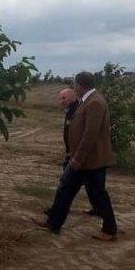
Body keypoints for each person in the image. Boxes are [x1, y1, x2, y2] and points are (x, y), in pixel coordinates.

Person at [34, 72, 118, 241]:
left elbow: (90, 134)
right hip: (83, 159)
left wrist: (78, 158)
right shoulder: (88, 100)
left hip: (90, 160)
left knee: (98, 195)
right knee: (66, 189)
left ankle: (109, 230)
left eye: (74, 84)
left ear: (79, 85)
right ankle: (53, 223)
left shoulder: (95, 102)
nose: (74, 87)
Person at [44, 88, 99, 218]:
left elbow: (85, 134)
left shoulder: (77, 110)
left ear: (73, 97)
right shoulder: (70, 110)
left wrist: (75, 155)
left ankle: (55, 215)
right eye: (60, 98)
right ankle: (98, 209)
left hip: (76, 156)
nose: (61, 101)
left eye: (64, 98)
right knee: (92, 186)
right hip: (75, 154)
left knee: (66, 187)